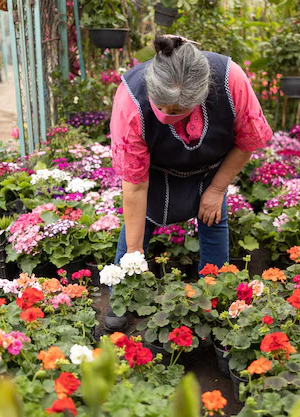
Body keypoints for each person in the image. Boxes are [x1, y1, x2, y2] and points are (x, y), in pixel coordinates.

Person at [106, 35, 272, 330]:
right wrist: (135, 256)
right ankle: (122, 296)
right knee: (138, 227)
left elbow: (247, 141)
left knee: (214, 216)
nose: (169, 115)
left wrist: (217, 189)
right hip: (154, 172)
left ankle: (216, 297)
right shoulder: (131, 100)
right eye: (164, 107)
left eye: (179, 109)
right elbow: (134, 186)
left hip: (210, 167)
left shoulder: (230, 80)